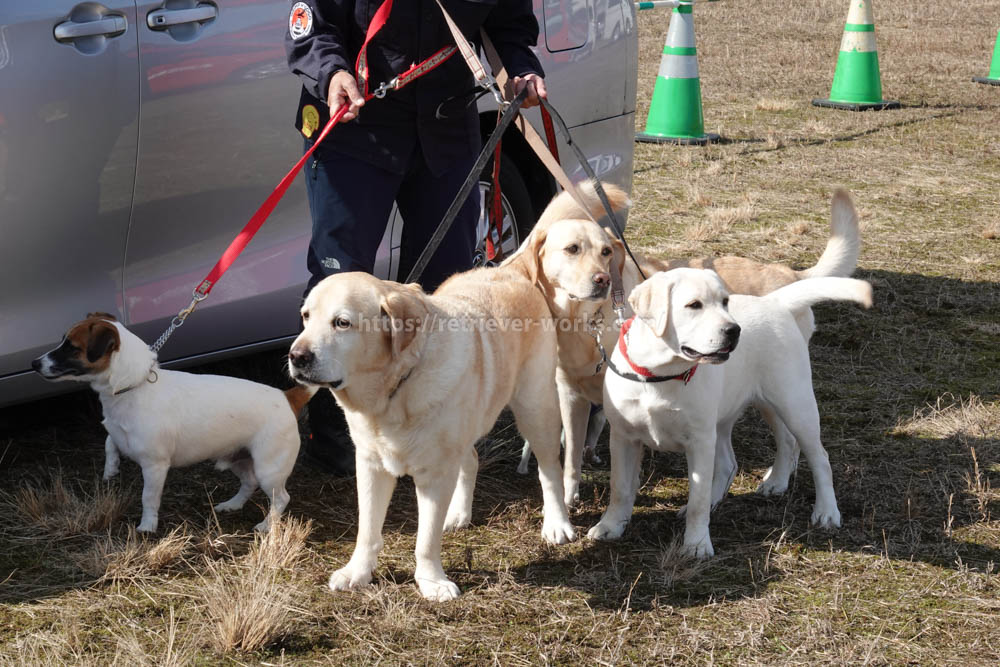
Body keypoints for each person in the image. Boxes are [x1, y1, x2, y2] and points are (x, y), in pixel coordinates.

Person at [285, 0, 547, 475]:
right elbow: (313, 29)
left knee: (443, 289)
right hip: (354, 129)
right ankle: (336, 439)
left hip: (446, 128)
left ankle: (432, 426)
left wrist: (519, 68)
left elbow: (506, 24)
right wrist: (333, 73)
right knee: (339, 286)